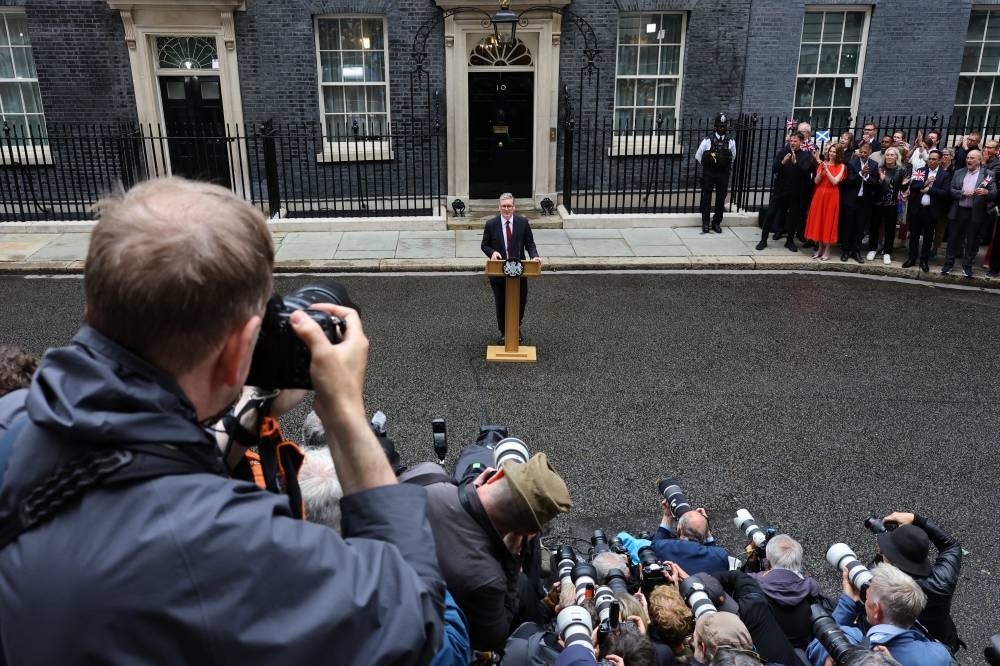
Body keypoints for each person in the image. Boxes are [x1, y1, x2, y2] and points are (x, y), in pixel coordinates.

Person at [0, 177, 445, 664]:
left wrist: (242, 410)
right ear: (238, 350)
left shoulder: (14, 419)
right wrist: (344, 412)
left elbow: (135, 464)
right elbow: (412, 614)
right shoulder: (218, 543)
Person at [423, 452, 572, 652]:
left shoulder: (429, 478)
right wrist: (511, 563)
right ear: (526, 533)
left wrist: (469, 491)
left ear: (494, 475)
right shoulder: (488, 578)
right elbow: (494, 640)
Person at [805, 564, 951, 666]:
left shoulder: (851, 642)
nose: (865, 598)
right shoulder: (939, 654)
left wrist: (848, 603)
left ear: (876, 610)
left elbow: (816, 647)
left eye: (867, 597)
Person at [876, 511, 963, 654]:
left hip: (905, 652)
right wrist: (918, 520)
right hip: (943, 644)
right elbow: (951, 547)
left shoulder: (882, 588)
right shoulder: (942, 582)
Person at [481, 192, 542, 345]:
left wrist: (534, 256)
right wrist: (492, 252)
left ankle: (515, 328)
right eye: (503, 206)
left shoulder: (522, 223)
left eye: (509, 206)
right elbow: (484, 245)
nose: (506, 209)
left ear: (514, 207)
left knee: (521, 301)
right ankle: (504, 333)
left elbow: (530, 244)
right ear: (499, 207)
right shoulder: (491, 224)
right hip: (499, 272)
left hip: (520, 271)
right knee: (501, 303)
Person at [750, 535, 823, 650]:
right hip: (803, 651)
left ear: (768, 564)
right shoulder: (811, 587)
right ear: (799, 562)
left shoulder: (753, 582)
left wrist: (751, 553)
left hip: (765, 651)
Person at [757, 131, 813, 252]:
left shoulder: (805, 156)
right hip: (780, 190)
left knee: (793, 217)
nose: (792, 143)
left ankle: (790, 241)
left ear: (801, 142)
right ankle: (763, 240)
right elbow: (774, 169)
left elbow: (806, 173)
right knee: (771, 213)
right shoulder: (783, 152)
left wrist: (795, 163)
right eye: (791, 141)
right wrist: (783, 162)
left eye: (795, 141)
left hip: (796, 191)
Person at [944, 148, 996, 277]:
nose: (968, 160)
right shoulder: (958, 172)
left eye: (972, 158)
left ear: (979, 160)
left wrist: (987, 192)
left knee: (972, 241)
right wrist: (962, 193)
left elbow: (995, 193)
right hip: (959, 211)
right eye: (967, 158)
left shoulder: (988, 174)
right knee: (953, 239)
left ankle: (967, 266)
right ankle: (948, 264)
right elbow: (951, 190)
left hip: (976, 212)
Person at [903, 150, 951, 272]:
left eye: (934, 159)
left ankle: (924, 260)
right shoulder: (921, 171)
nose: (931, 161)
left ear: (940, 161)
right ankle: (912, 258)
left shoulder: (944, 175)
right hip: (917, 209)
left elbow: (945, 193)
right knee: (913, 235)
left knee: (928, 237)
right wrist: (925, 183)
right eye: (930, 158)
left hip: (931, 211)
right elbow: (913, 186)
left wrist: (929, 190)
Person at [651, 505, 729, 576]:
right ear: (705, 534)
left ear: (678, 531)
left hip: (671, 591)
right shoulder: (720, 555)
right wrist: (705, 526)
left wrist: (667, 516)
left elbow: (654, 544)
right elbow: (715, 553)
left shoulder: (663, 547)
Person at [695, 113, 737, 234]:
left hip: (723, 174)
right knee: (707, 198)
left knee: (720, 199)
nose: (722, 128)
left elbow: (733, 156)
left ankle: (717, 222)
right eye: (720, 126)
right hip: (709, 173)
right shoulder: (707, 140)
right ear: (715, 127)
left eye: (724, 126)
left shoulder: (731, 141)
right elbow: (698, 156)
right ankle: (705, 223)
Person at [805, 143, 846, 261]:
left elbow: (835, 182)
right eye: (830, 151)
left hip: (832, 195)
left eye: (834, 152)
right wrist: (820, 170)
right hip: (819, 195)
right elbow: (816, 181)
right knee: (819, 220)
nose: (831, 153)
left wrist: (827, 169)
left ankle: (827, 249)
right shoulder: (823, 164)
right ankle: (819, 248)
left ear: (838, 154)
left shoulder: (841, 166)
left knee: (828, 221)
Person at [840, 142, 879, 263]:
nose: (862, 154)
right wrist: (861, 174)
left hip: (864, 201)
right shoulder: (852, 163)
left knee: (859, 227)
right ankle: (846, 250)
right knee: (848, 226)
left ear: (870, 153)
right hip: (851, 200)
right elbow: (848, 181)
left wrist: (867, 177)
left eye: (865, 153)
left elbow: (876, 184)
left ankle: (856, 251)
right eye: (861, 152)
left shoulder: (874, 165)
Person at [867, 147, 906, 265]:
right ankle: (872, 249)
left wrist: (888, 180)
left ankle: (887, 252)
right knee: (874, 227)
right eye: (887, 155)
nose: (889, 157)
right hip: (877, 202)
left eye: (892, 155)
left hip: (892, 203)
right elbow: (873, 185)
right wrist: (880, 181)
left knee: (890, 229)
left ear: (896, 157)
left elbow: (899, 188)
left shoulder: (901, 170)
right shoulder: (879, 168)